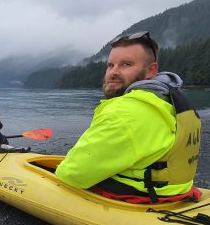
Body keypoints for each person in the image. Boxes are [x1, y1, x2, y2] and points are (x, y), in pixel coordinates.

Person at [55, 31, 202, 203]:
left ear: (151, 70)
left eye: (126, 64)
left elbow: (73, 175)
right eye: (110, 65)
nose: (114, 72)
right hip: (177, 189)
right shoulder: (169, 100)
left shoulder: (123, 113)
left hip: (143, 196)